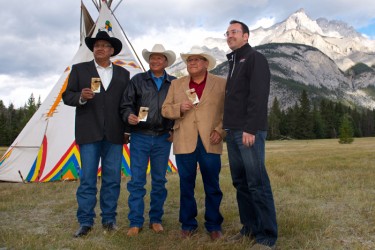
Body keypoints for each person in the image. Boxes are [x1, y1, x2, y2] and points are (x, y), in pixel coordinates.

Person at [62, 30, 130, 237]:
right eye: (96, 45)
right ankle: (85, 222)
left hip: (115, 134)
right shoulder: (79, 70)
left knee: (112, 179)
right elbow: (67, 96)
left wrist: (127, 128)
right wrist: (81, 97)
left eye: (104, 45)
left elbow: (126, 104)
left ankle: (109, 219)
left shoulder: (123, 74)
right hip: (89, 132)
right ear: (93, 49)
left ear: (111, 51)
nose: (99, 48)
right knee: (88, 179)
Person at [223, 20, 278, 249]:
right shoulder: (234, 61)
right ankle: (249, 228)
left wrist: (250, 128)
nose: (230, 35)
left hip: (247, 131)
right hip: (233, 131)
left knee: (257, 182)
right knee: (240, 182)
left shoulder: (255, 58)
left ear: (246, 36)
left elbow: (258, 95)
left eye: (234, 32)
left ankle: (266, 236)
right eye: (227, 33)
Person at [162, 46, 226, 241]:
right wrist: (178, 108)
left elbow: (229, 111)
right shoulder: (176, 84)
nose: (192, 63)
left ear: (206, 64)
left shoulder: (221, 83)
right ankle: (188, 224)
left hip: (210, 139)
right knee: (186, 184)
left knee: (212, 185)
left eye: (197, 60)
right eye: (190, 60)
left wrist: (220, 130)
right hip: (184, 140)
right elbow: (165, 109)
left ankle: (214, 225)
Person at [120, 44, 176, 236]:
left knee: (159, 180)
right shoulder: (137, 80)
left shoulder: (174, 83)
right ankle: (135, 221)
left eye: (159, 58)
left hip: (163, 137)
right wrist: (129, 116)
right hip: (140, 137)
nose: (155, 61)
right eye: (152, 58)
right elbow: (126, 105)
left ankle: (156, 219)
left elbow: (179, 111)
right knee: (137, 181)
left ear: (166, 62)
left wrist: (174, 129)